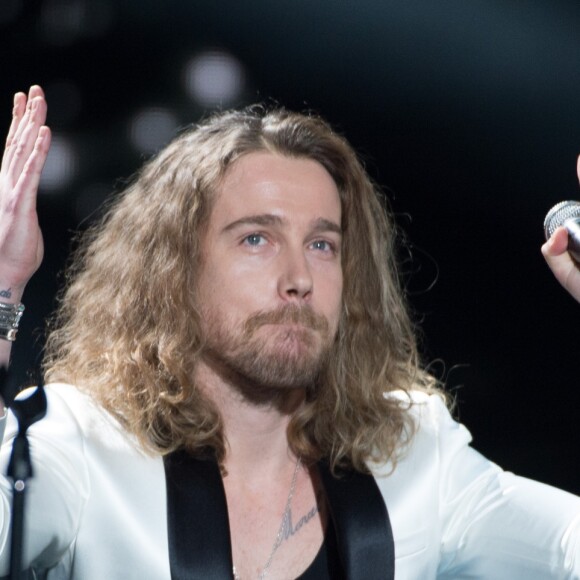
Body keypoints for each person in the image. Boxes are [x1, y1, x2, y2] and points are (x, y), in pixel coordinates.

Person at [0, 85, 578, 580]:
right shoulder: (80, 439)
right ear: (172, 268)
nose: (299, 278)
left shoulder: (414, 450)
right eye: (257, 238)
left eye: (322, 245)